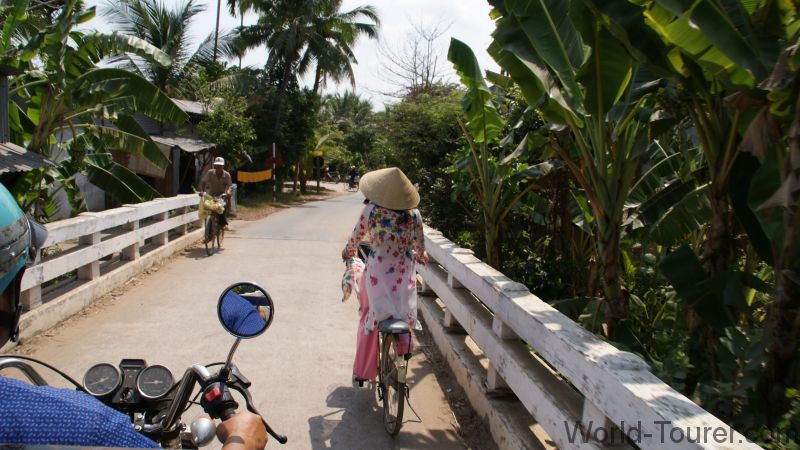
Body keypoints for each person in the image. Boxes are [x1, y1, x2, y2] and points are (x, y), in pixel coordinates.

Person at [0, 184, 266, 449]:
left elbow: (225, 190)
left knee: (220, 213)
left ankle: (222, 223)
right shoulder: (90, 428)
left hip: (219, 199)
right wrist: (241, 444)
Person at [340, 167, 428, 386]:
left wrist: (348, 253)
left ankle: (363, 371)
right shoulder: (414, 215)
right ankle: (404, 348)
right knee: (402, 313)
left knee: (368, 315)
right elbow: (421, 248)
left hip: (378, 274)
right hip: (404, 274)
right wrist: (419, 254)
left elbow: (355, 238)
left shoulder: (371, 211)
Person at [200, 157, 233, 227]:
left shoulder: (227, 175)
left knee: (222, 208)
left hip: (222, 195)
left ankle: (225, 220)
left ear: (223, 166)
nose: (218, 167)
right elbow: (203, 182)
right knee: (206, 208)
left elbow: (230, 186)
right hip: (211, 194)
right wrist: (202, 191)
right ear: (214, 166)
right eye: (217, 165)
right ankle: (209, 226)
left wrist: (228, 192)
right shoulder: (210, 173)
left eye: (220, 165)